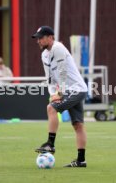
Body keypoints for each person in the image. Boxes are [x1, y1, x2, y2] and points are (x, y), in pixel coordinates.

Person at [32, 26, 88, 167]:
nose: (38, 40)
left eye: (41, 37)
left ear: (50, 37)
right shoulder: (44, 55)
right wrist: (53, 94)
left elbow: (62, 72)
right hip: (68, 90)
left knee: (51, 108)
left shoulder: (58, 48)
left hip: (76, 89)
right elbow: (49, 78)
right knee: (78, 125)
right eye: (37, 38)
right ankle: (81, 160)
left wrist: (60, 93)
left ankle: (50, 144)